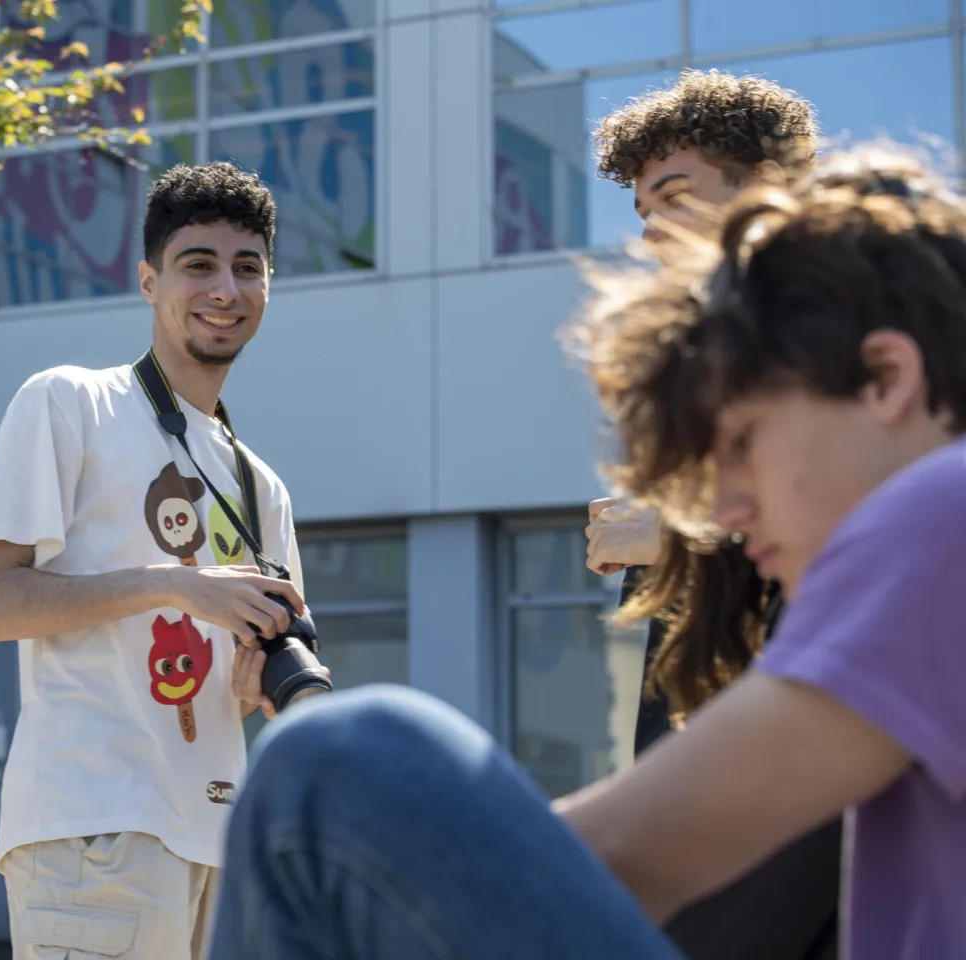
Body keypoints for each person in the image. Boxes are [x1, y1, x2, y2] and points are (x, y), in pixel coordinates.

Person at [208, 142, 966, 960]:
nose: (730, 508)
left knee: (335, 764)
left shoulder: (938, 512)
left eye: (746, 441)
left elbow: (625, 853)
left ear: (886, 379)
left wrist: (335, 778)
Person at [0, 161, 311, 960]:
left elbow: (259, 683)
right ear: (149, 281)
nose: (226, 287)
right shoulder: (69, 402)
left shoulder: (264, 487)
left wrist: (260, 681)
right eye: (199, 265)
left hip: (221, 848)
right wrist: (170, 585)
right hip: (95, 828)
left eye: (247, 268)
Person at [585, 70, 839, 960]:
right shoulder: (713, 352)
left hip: (794, 776)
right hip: (708, 759)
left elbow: (883, 530)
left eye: (676, 195)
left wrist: (682, 533)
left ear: (765, 187)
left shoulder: (839, 333)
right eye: (642, 206)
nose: (649, 227)